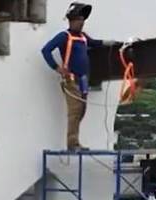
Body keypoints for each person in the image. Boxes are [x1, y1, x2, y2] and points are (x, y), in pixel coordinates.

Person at [41, 3, 112, 150]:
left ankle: (76, 141)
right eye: (79, 19)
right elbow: (46, 50)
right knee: (75, 111)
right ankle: (72, 144)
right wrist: (57, 68)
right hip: (71, 80)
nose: (82, 22)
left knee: (82, 110)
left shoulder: (83, 37)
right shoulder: (64, 36)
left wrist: (109, 43)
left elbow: (94, 43)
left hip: (83, 80)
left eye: (83, 19)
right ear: (71, 21)